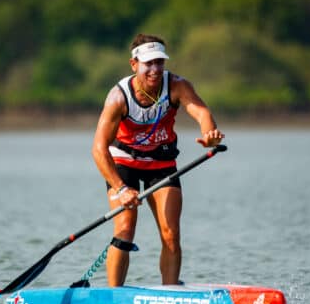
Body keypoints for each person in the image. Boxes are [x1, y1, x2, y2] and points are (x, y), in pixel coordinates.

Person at [91, 33, 224, 287]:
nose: (154, 69)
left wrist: (209, 134)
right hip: (124, 162)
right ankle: (113, 295)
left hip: (161, 163)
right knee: (125, 230)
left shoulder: (177, 86)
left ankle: (171, 293)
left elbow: (201, 111)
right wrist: (121, 188)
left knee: (171, 234)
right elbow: (99, 149)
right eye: (148, 63)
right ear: (134, 64)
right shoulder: (118, 97)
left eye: (159, 62)